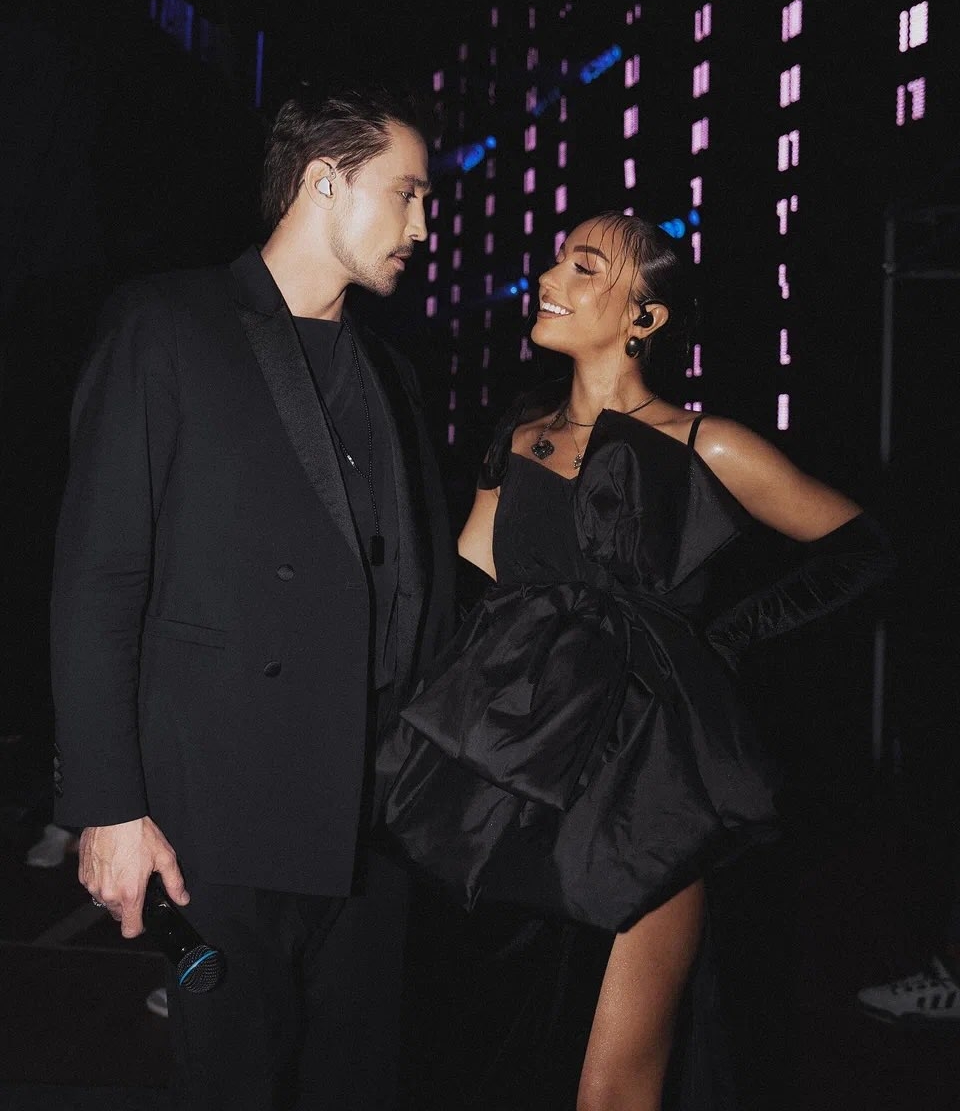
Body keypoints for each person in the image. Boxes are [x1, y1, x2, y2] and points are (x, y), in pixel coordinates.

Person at [383, 213, 892, 1110]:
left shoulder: (707, 444)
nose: (549, 279)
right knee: (498, 1047)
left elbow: (860, 551)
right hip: (514, 767)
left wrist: (718, 641)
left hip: (645, 774)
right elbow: (470, 583)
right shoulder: (521, 435)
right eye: (556, 260)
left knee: (613, 1087)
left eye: (583, 267)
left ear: (643, 318)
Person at [50, 88, 454, 1110]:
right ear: (325, 183)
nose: (424, 226)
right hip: (221, 814)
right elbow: (99, 578)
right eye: (407, 194)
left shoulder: (393, 371)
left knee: (360, 1085)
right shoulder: (166, 324)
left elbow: (415, 590)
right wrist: (108, 806)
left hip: (375, 818)